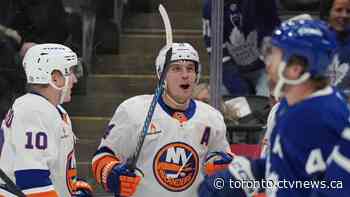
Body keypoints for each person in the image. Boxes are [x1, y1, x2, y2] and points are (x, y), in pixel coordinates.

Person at [198, 19, 350, 197]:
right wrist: (242, 175)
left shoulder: (329, 117)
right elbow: (286, 168)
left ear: (295, 69)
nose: (267, 62)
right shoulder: (287, 107)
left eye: (274, 55)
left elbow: (336, 188)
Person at [92, 43, 232, 197]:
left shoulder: (212, 117)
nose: (185, 75)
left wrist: (219, 166)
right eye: (176, 68)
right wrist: (112, 175)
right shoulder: (133, 111)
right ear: (162, 75)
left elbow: (222, 160)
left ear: (197, 75)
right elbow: (102, 156)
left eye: (190, 68)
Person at [0, 43, 93, 197]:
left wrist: (74, 189)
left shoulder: (52, 110)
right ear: (55, 78)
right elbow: (31, 179)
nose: (75, 79)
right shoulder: (32, 110)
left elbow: (54, 170)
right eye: (70, 72)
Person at [202, 0, 280, 97]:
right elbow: (216, 51)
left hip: (263, 68)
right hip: (232, 71)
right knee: (213, 99)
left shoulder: (263, 3)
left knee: (266, 98)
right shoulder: (211, 5)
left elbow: (273, 32)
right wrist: (238, 88)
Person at [320, 0, 350, 99]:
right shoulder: (314, 41)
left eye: (349, 11)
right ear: (328, 12)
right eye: (339, 10)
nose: (344, 15)